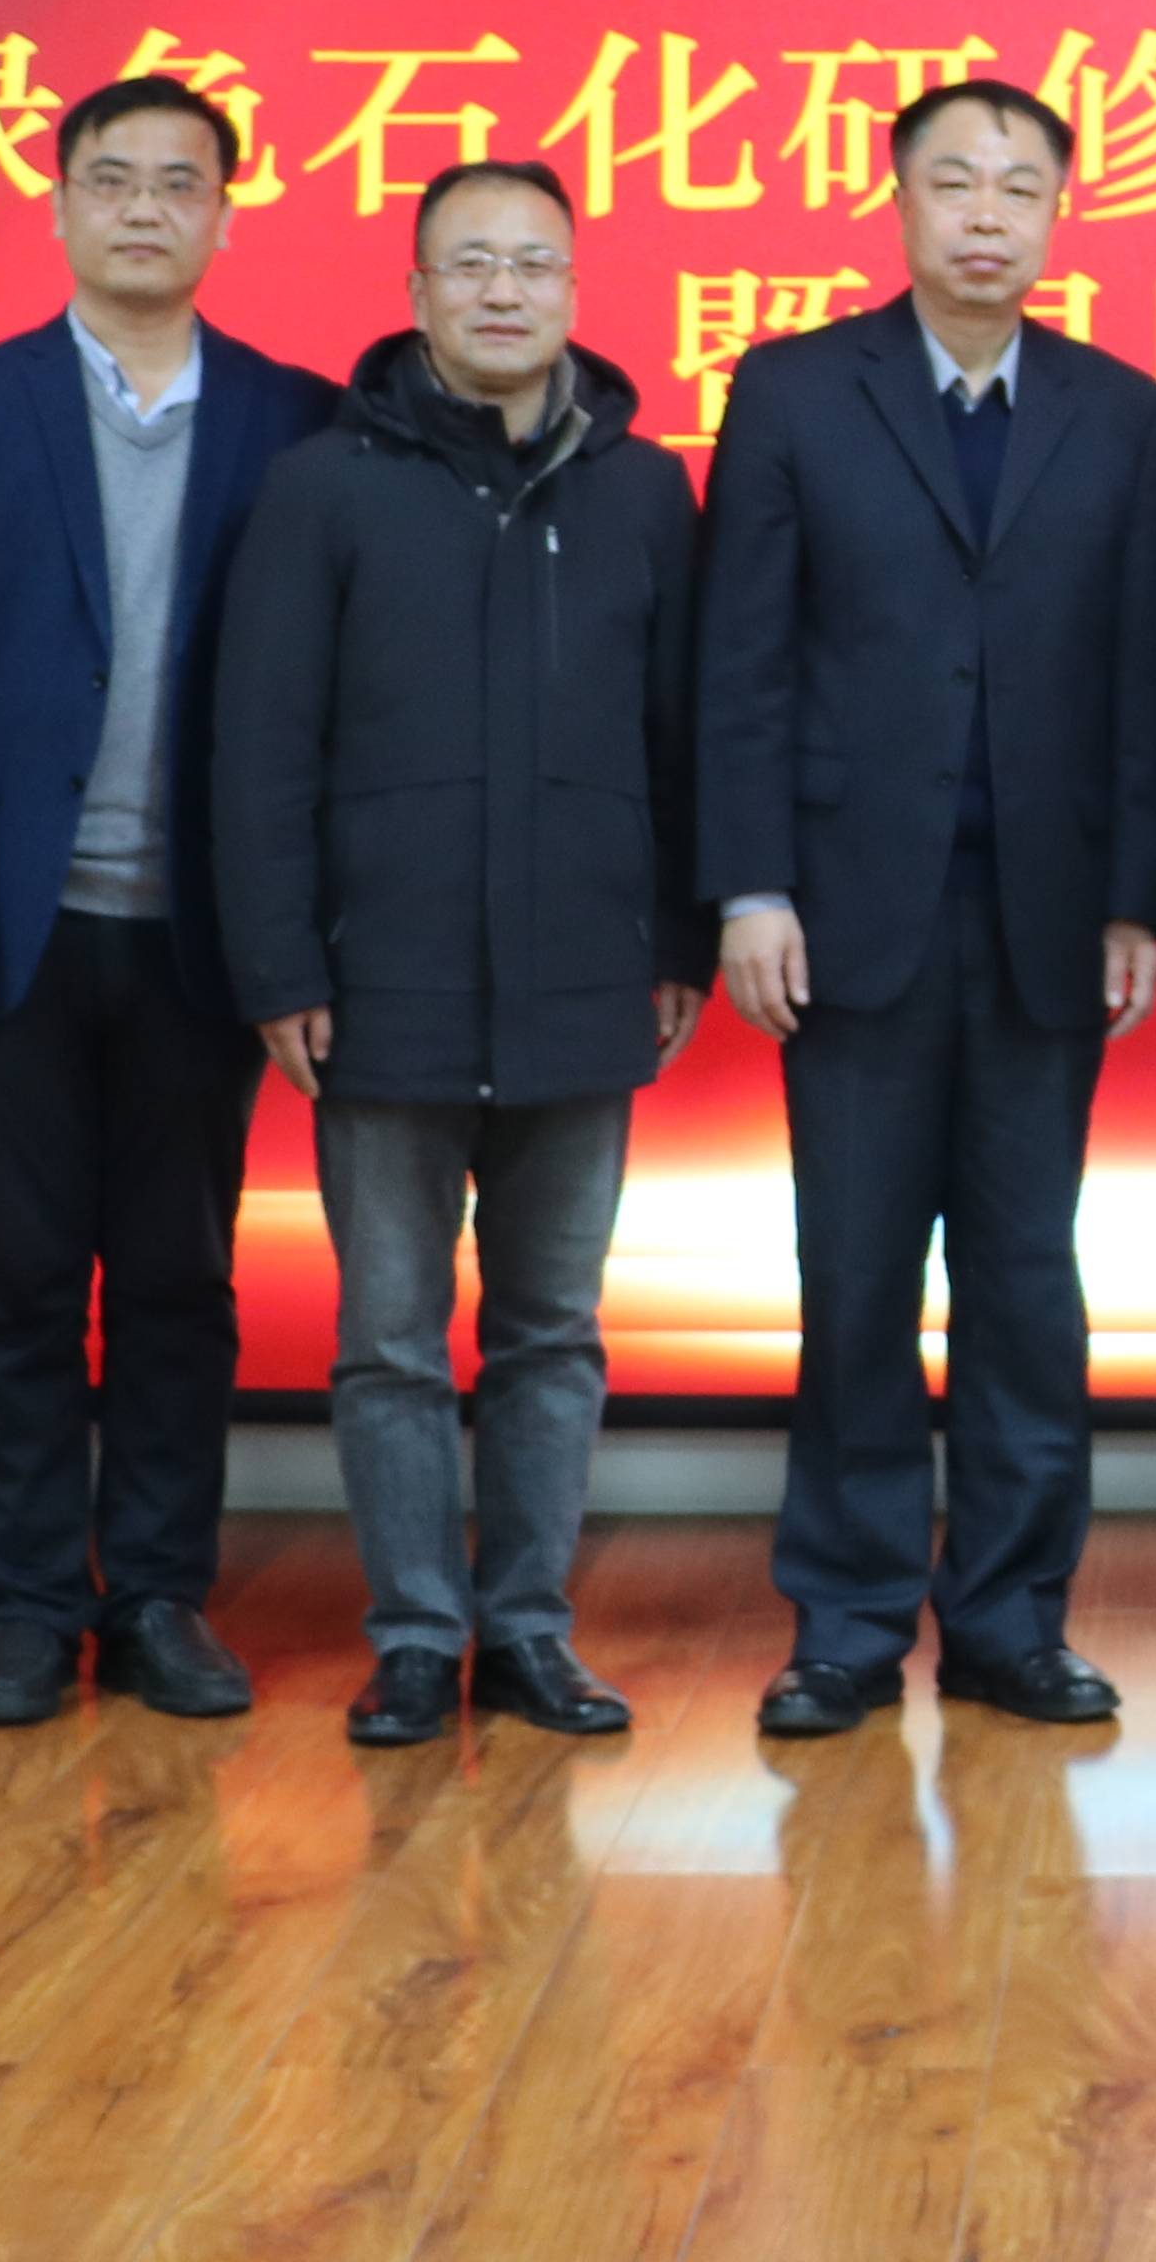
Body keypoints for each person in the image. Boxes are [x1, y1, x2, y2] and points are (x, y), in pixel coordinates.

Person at [696, 78, 1156, 1737]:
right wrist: (750, 887)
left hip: (1046, 916)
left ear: (1059, 216)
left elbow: (1140, 672)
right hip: (847, 915)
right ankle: (843, 1623)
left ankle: (1011, 1620)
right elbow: (741, 662)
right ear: (897, 202)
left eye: (1020, 187)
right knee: (853, 1276)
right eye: (955, 182)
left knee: (1027, 1284)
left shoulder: (1121, 410)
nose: (988, 213)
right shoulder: (791, 389)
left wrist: (1134, 901)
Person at [0, 75, 338, 1733]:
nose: (144, 208)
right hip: (7, 932)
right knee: (17, 1289)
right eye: (112, 179)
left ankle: (158, 1600)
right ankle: (24, 1606)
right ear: (59, 206)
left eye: (179, 182)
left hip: (200, 936)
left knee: (182, 1287)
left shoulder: (293, 417)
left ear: (223, 216)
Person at [219, 160, 710, 1748]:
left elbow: (683, 736)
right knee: (388, 1339)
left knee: (551, 1331)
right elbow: (262, 746)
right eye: (471, 263)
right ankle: (419, 1635)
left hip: (582, 979)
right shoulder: (324, 486)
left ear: (574, 287)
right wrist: (283, 967)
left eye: (534, 263)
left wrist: (680, 934)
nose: (505, 290)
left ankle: (531, 1632)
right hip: (384, 984)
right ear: (418, 291)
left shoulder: (643, 491)